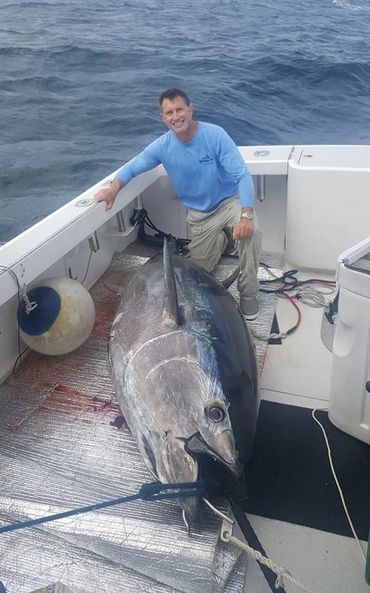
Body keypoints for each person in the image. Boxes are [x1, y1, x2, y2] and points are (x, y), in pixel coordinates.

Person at [94, 88, 262, 320]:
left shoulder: (215, 135)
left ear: (190, 110)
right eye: (169, 112)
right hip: (199, 215)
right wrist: (113, 188)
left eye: (180, 109)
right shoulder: (162, 146)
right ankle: (224, 239)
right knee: (199, 273)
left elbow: (242, 175)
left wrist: (246, 216)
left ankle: (249, 293)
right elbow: (134, 166)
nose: (176, 116)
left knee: (251, 233)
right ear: (163, 118)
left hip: (228, 203)